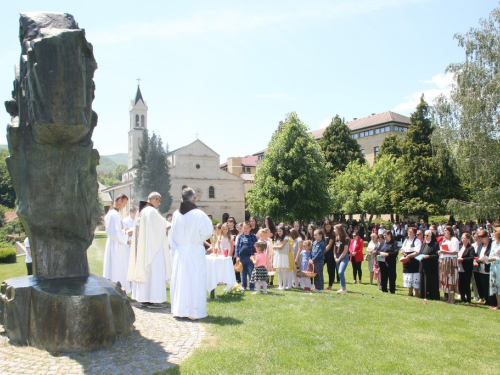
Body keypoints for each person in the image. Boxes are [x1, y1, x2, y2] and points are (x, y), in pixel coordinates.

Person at [169, 188, 213, 319]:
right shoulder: (199, 214)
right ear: (194, 199)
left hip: (181, 251)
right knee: (195, 279)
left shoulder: (176, 214)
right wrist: (198, 240)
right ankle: (194, 312)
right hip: (194, 251)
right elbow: (207, 232)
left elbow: (173, 233)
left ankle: (180, 310)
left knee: (181, 280)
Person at [129, 192, 171, 308]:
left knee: (146, 272)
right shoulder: (151, 211)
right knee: (154, 272)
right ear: (157, 199)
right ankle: (154, 298)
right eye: (159, 202)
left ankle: (144, 298)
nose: (159, 204)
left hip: (142, 248)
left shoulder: (140, 211)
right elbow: (162, 226)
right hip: (152, 249)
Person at [103, 194, 132, 294]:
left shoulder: (115, 214)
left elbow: (117, 230)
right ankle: (115, 288)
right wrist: (126, 235)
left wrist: (124, 231)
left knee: (119, 267)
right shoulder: (113, 214)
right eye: (124, 203)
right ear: (119, 200)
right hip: (115, 246)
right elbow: (114, 233)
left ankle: (118, 288)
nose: (124, 206)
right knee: (115, 268)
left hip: (117, 244)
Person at [439, 226, 460, 304]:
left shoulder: (454, 240)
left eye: (446, 231)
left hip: (451, 261)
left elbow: (455, 251)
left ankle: (452, 298)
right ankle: (448, 297)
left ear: (450, 232)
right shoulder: (445, 240)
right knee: (446, 279)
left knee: (452, 279)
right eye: (444, 231)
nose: (445, 232)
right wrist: (441, 253)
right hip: (444, 260)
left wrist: (445, 252)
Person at [236, 222, 258, 291]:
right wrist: (237, 256)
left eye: (247, 228)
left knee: (251, 272)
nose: (245, 229)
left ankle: (252, 286)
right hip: (242, 257)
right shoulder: (240, 236)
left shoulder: (253, 236)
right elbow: (238, 247)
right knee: (243, 273)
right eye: (244, 228)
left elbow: (256, 247)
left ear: (250, 228)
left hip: (250, 257)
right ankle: (244, 286)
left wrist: (254, 255)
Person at [474, 229, 493, 305]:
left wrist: (484, 259)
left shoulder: (492, 244)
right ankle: (485, 298)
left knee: (489, 284)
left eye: (483, 238)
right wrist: (476, 260)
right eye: (481, 238)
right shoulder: (481, 244)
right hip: (481, 267)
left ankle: (490, 300)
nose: (482, 240)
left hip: (488, 266)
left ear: (487, 236)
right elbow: (478, 254)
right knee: (483, 284)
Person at [419, 231, 440, 300]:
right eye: (425, 235)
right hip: (424, 265)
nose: (425, 237)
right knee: (424, 280)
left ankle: (432, 295)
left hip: (431, 266)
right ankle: (424, 294)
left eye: (427, 235)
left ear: (431, 236)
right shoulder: (423, 244)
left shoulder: (435, 244)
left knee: (431, 281)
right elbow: (420, 253)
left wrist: (429, 256)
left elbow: (436, 255)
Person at [401, 227, 421, 297]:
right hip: (407, 260)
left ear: (414, 233)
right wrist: (404, 254)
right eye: (408, 232)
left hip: (414, 260)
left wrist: (409, 256)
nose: (409, 233)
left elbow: (417, 252)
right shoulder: (406, 240)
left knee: (415, 276)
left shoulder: (417, 241)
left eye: (411, 232)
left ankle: (416, 293)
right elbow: (402, 249)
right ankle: (410, 292)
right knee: (408, 275)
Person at [458, 232, 475, 305]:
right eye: (462, 238)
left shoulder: (471, 248)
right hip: (460, 268)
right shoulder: (460, 246)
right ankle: (462, 297)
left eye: (464, 238)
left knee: (467, 284)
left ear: (468, 239)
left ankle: (468, 299)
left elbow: (471, 257)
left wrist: (463, 259)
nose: (463, 239)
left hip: (467, 268)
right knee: (460, 284)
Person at [272, 225, 290, 291]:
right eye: (278, 231)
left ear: (283, 231)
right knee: (279, 271)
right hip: (278, 255)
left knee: (283, 271)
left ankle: (284, 286)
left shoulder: (286, 238)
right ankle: (280, 285)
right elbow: (276, 246)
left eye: (280, 231)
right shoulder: (278, 238)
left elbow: (281, 246)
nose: (279, 232)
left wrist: (273, 246)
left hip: (283, 255)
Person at [334, 224, 350, 293]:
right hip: (337, 256)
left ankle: (344, 288)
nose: (334, 230)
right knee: (339, 273)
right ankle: (342, 287)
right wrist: (335, 257)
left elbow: (345, 250)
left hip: (344, 257)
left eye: (335, 229)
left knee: (341, 271)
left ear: (339, 230)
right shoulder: (336, 237)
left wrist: (339, 258)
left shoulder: (346, 238)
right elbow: (334, 249)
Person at [488, 228, 500, 309]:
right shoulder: (493, 243)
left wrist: (494, 259)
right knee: (494, 285)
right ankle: (498, 304)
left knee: (499, 284)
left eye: (495, 232)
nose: (493, 233)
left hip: (498, 266)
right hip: (492, 266)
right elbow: (491, 254)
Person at [323, 220, 336, 290]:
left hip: (330, 254)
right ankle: (319, 283)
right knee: (319, 267)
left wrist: (323, 251)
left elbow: (330, 245)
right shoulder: (323, 233)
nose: (328, 228)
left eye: (329, 227)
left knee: (330, 269)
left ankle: (330, 285)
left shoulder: (332, 234)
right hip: (323, 254)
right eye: (326, 227)